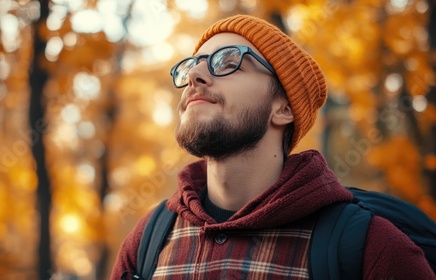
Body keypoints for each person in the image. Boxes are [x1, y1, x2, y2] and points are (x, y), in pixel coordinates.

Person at [111, 14, 435, 279]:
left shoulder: (364, 245)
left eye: (227, 61)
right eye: (192, 64)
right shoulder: (149, 240)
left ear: (283, 109)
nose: (195, 74)